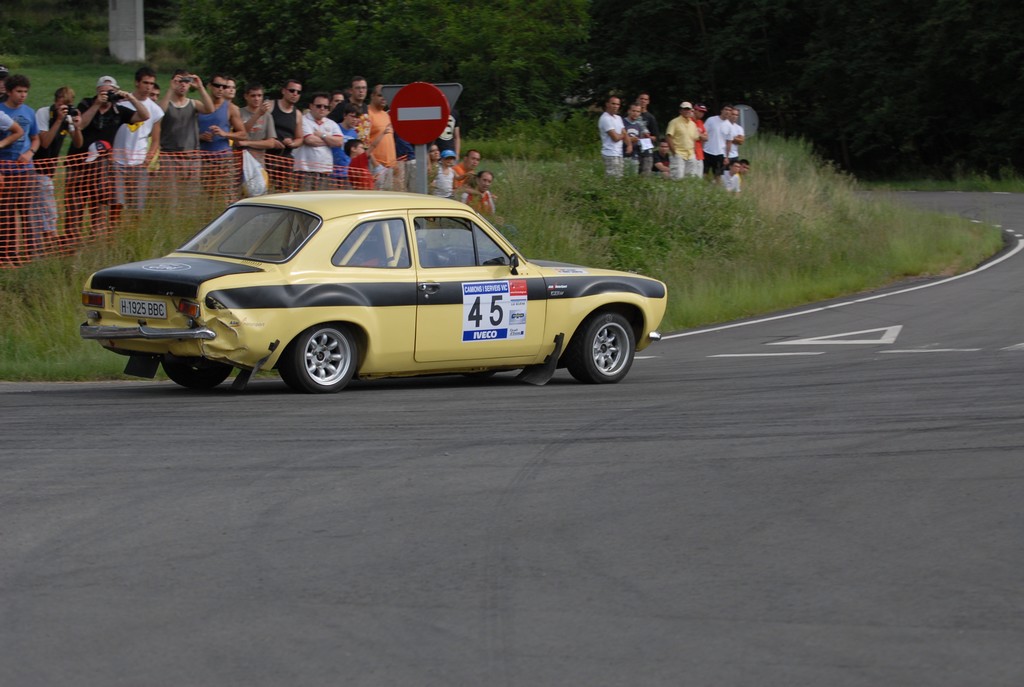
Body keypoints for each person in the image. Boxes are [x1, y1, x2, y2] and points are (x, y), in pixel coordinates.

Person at [158, 70, 215, 209]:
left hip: (192, 156)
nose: (183, 85)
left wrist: (200, 87)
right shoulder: (166, 103)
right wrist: (170, 89)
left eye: (186, 82)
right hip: (169, 156)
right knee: (171, 198)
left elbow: (210, 109)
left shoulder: (193, 103)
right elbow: (159, 112)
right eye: (179, 82)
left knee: (191, 198)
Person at [112, 67, 163, 220]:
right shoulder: (121, 103)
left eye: (151, 84)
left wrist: (148, 159)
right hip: (117, 160)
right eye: (145, 83)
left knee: (137, 206)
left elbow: (156, 139)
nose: (148, 87)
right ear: (137, 83)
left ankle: (134, 230)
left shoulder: (155, 110)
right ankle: (114, 229)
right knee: (117, 203)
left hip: (139, 162)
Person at [35, 86, 82, 237]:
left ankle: (44, 237)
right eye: (61, 105)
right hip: (35, 166)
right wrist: (58, 120)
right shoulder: (43, 113)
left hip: (50, 169)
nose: (64, 109)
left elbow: (78, 144)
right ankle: (52, 237)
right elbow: (45, 142)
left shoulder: (68, 118)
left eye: (68, 106)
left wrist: (76, 126)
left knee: (39, 208)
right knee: (48, 207)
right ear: (55, 102)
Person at [0, 74, 36, 262]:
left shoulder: (29, 112)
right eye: (19, 91)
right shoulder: (1, 111)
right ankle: (8, 254)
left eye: (25, 92)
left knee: (27, 211)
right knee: (6, 213)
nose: (22, 95)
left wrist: (30, 152)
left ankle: (30, 253)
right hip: (5, 169)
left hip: (25, 169)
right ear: (9, 91)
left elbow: (36, 138)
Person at [198, 73, 247, 203]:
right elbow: (189, 132)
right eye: (217, 85)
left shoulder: (231, 108)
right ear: (209, 86)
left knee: (227, 196)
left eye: (224, 86)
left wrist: (225, 134)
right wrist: (200, 137)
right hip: (203, 158)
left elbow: (242, 134)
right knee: (206, 197)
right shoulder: (199, 106)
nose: (220, 89)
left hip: (224, 158)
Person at [292, 92, 343, 190]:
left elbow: (339, 142)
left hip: (325, 171)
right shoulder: (303, 120)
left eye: (326, 107)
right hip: (305, 170)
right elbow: (309, 140)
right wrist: (329, 141)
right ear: (311, 106)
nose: (322, 109)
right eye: (319, 106)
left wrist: (322, 135)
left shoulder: (332, 123)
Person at [266, 78, 304, 191]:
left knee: (283, 192)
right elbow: (259, 128)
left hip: (285, 159)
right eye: (291, 90)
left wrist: (292, 143)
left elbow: (300, 138)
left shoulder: (297, 114)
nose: (295, 94)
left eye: (298, 92)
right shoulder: (270, 106)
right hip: (266, 156)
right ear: (283, 91)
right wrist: (271, 141)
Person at [237, 82, 282, 165]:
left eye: (259, 95)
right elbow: (241, 134)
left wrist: (247, 143)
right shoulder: (239, 113)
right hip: (240, 160)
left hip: (259, 161)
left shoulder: (267, 116)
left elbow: (271, 143)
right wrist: (258, 115)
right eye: (253, 96)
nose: (256, 99)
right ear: (246, 96)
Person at [367, 84, 396, 190]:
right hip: (376, 165)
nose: (383, 98)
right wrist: (375, 164)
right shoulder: (367, 113)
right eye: (380, 95)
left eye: (385, 96)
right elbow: (364, 142)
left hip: (389, 167)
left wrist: (394, 163)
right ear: (372, 96)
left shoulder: (386, 115)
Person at [665, 101, 701, 179]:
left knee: (690, 178)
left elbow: (694, 139)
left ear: (691, 111)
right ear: (680, 111)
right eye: (685, 109)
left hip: (690, 155)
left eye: (688, 109)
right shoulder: (674, 122)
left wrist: (694, 153)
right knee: (677, 178)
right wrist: (674, 152)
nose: (687, 111)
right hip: (678, 154)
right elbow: (668, 137)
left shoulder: (693, 124)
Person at [598, 95, 629, 177]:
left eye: (617, 104)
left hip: (619, 153)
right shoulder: (605, 118)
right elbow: (615, 138)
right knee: (612, 179)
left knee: (619, 177)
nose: (615, 106)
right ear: (607, 104)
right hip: (610, 153)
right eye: (613, 104)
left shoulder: (618, 118)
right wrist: (623, 135)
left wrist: (629, 145)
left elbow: (624, 133)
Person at [703, 104, 735, 180]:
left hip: (720, 153)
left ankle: (716, 187)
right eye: (726, 109)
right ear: (721, 110)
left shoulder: (730, 126)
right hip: (707, 151)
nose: (727, 112)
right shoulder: (711, 120)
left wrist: (727, 157)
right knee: (704, 173)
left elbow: (729, 143)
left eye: (730, 110)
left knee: (718, 175)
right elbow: (703, 134)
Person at [622, 103, 651, 176]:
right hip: (623, 154)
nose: (635, 113)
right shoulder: (622, 122)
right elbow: (617, 138)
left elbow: (641, 139)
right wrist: (629, 140)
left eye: (638, 112)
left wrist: (642, 139)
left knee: (633, 176)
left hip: (635, 155)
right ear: (629, 111)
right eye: (633, 111)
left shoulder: (639, 125)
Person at [636, 92, 660, 174]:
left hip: (646, 150)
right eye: (641, 98)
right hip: (633, 149)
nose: (643, 101)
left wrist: (648, 137)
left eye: (645, 99)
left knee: (645, 173)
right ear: (637, 99)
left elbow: (656, 137)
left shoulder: (650, 117)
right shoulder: (630, 115)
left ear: (648, 102)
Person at [690, 104, 708, 177]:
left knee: (699, 177)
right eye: (700, 111)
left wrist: (698, 135)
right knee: (691, 176)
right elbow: (690, 135)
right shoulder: (689, 121)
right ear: (694, 110)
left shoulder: (700, 122)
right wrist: (700, 135)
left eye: (703, 112)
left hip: (700, 154)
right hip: (691, 153)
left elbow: (706, 138)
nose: (702, 113)